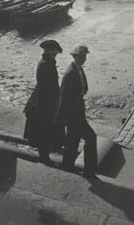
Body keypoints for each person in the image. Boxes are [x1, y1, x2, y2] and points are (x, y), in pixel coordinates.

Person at [56, 44, 97, 178]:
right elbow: (64, 97)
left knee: (72, 142)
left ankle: (67, 168)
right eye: (82, 56)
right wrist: (62, 119)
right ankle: (89, 171)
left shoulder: (77, 69)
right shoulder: (70, 73)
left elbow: (82, 86)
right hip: (73, 115)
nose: (84, 59)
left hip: (77, 114)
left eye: (85, 56)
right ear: (75, 57)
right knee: (90, 137)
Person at [23, 39, 63, 165]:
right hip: (44, 102)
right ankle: (44, 158)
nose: (54, 53)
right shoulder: (46, 64)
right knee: (44, 129)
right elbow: (47, 87)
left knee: (43, 129)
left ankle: (45, 155)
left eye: (55, 51)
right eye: (52, 50)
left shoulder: (47, 62)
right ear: (46, 50)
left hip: (43, 99)